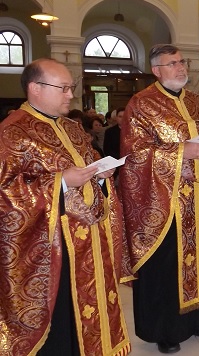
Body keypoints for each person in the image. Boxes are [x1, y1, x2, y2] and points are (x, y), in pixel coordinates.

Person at [0, 58, 130, 355]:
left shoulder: (73, 127)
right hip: (51, 248)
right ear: (35, 88)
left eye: (71, 88)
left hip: (90, 242)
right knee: (61, 319)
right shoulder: (12, 131)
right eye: (64, 88)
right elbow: (5, 193)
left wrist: (99, 176)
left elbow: (85, 170)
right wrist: (60, 184)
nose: (71, 95)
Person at [120, 44, 199, 353]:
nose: (182, 68)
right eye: (172, 64)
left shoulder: (197, 102)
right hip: (165, 203)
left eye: (183, 62)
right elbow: (134, 154)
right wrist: (181, 155)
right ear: (156, 70)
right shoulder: (141, 104)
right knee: (167, 265)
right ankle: (165, 330)